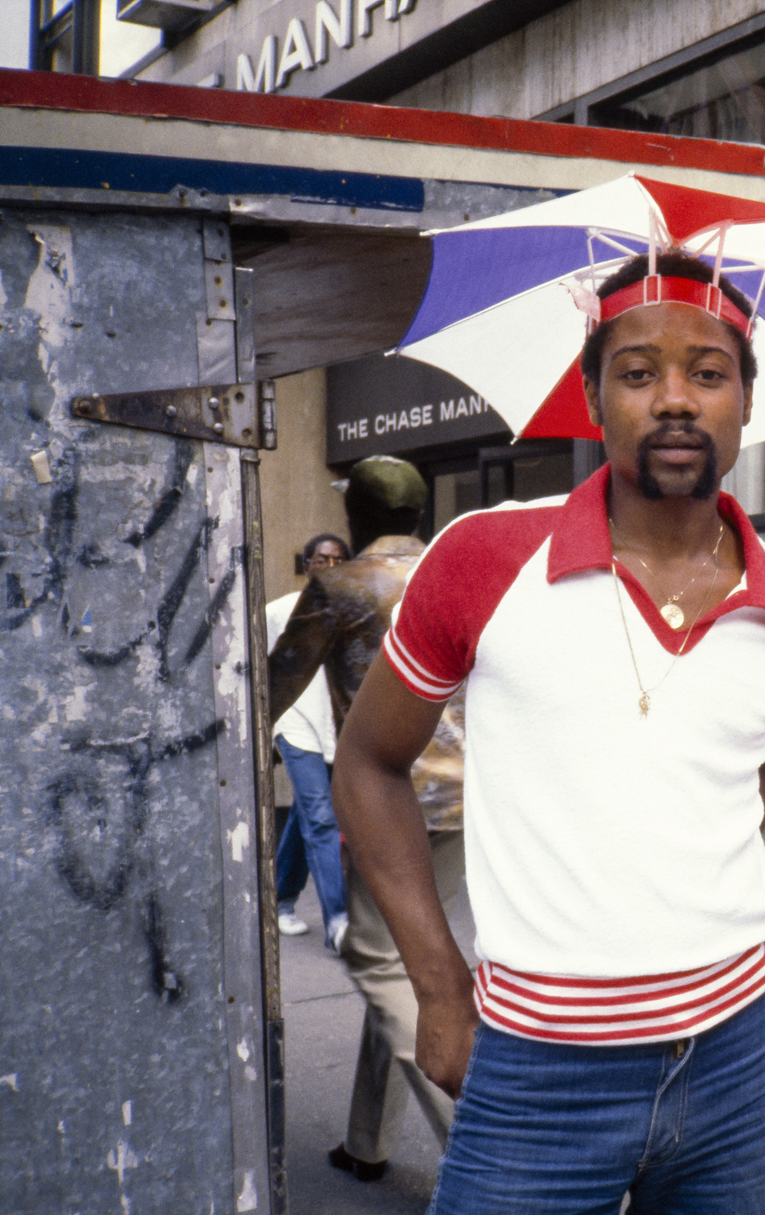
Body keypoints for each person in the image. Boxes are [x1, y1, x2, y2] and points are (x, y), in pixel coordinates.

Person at [330, 251, 765, 1213]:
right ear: (590, 392)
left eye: (707, 372)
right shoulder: (486, 557)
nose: (675, 400)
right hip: (537, 1068)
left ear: (746, 397)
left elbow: (756, 777)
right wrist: (442, 990)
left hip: (734, 1060)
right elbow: (368, 763)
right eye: (638, 371)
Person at [269, 456, 468, 1184]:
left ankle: (486, 1145)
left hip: (389, 803)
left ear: (355, 518)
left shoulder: (341, 584)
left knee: (383, 963)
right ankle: (367, 1140)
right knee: (408, 964)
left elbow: (275, 682)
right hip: (471, 800)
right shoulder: (458, 570)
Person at [268, 532, 351, 944]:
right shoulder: (278, 611)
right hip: (296, 724)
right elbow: (261, 676)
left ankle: (280, 899)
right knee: (321, 817)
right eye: (322, 560)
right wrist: (265, 731)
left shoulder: (353, 613)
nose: (330, 568)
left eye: (338, 561)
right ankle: (338, 920)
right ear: (307, 566)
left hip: (337, 728)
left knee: (308, 814)